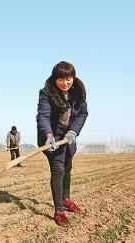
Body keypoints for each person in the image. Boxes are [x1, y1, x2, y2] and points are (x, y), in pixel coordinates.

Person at [36, 61, 88, 226]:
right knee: (58, 169)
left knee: (67, 167)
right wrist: (48, 134)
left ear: (73, 77)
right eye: (61, 79)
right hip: (52, 138)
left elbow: (83, 113)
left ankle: (66, 199)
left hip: (69, 137)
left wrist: (73, 131)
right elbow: (43, 116)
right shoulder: (46, 93)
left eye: (69, 78)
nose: (65, 82)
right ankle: (59, 210)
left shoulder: (78, 92)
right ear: (54, 79)